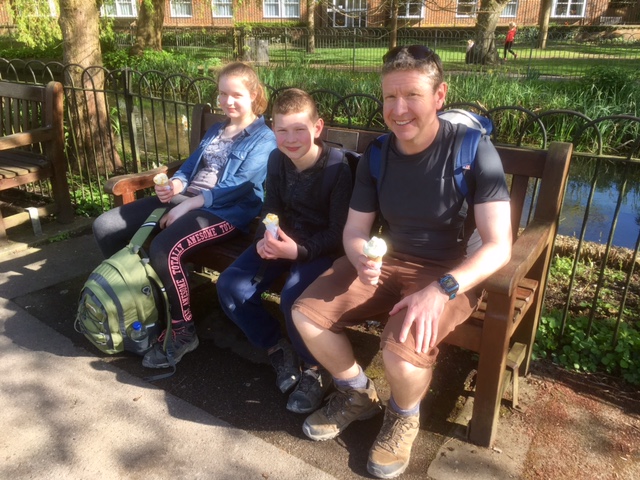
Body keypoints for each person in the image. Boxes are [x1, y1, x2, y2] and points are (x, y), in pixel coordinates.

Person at [291, 45, 513, 479]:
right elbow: (355, 232)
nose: (399, 109)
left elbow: (499, 245)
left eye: (411, 95)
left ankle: (403, 415)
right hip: (387, 263)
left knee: (401, 357)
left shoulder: (472, 150)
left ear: (439, 95)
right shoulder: (378, 155)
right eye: (390, 97)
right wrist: (360, 257)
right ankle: (356, 392)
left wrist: (442, 290)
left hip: (448, 273)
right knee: (307, 315)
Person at [92, 62, 276, 370]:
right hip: (186, 200)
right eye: (222, 94)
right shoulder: (217, 129)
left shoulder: (264, 139)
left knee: (164, 249)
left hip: (223, 213)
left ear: (254, 95)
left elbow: (239, 185)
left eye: (236, 95)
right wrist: (174, 185)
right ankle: (141, 301)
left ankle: (182, 330)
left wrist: (186, 205)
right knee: (105, 226)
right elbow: (191, 167)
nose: (227, 102)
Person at [216, 88, 353, 414]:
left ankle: (314, 368)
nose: (291, 139)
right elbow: (271, 208)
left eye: (299, 129)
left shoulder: (338, 169)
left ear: (318, 128)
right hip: (282, 241)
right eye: (282, 130)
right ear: (272, 129)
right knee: (230, 286)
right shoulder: (277, 159)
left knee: (294, 297)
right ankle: (277, 346)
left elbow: (339, 233)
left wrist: (299, 252)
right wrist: (266, 235)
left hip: (320, 249)